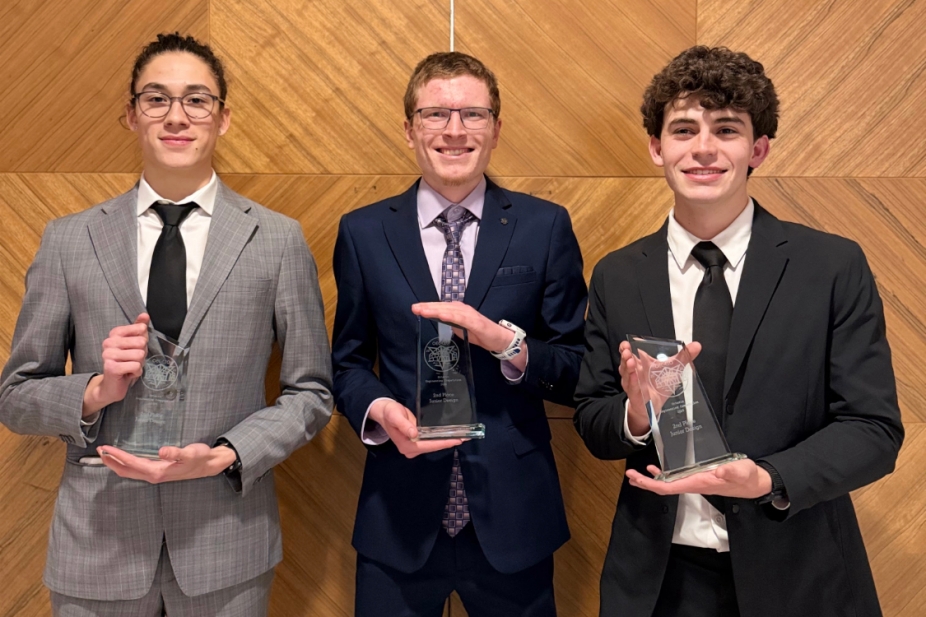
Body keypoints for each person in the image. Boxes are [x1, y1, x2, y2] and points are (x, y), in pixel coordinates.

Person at [0, 33, 333, 617]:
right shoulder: (69, 240)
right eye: (156, 99)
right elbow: (16, 396)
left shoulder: (278, 240)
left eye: (197, 100)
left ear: (223, 118)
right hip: (96, 546)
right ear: (130, 115)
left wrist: (227, 454)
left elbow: (311, 393)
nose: (176, 116)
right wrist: (94, 390)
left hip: (225, 546)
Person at [573, 46, 904, 617]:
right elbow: (591, 419)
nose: (703, 148)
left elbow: (873, 430)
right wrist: (634, 412)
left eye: (726, 129)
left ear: (758, 149)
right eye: (683, 129)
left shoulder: (830, 265)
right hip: (657, 581)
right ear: (657, 147)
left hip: (802, 575)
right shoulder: (617, 274)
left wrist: (768, 477)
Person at [331, 51, 587, 616]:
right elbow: (346, 362)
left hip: (514, 519)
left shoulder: (545, 227)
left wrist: (506, 345)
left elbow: (576, 368)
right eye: (435, 115)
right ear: (408, 130)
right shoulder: (363, 232)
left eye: (473, 114)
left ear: (497, 128)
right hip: (396, 518)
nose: (454, 131)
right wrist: (378, 411)